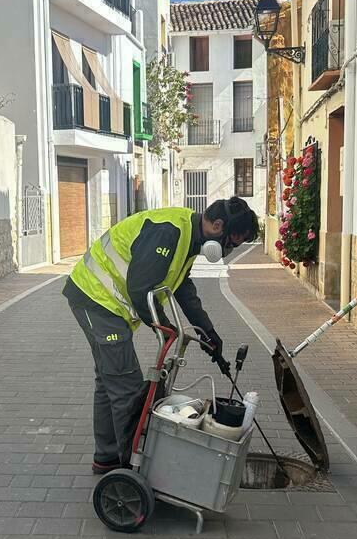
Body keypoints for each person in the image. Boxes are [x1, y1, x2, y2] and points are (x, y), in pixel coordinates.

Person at [64, 198, 260, 474]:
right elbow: (140, 288)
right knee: (128, 387)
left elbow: (183, 289)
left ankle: (106, 458)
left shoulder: (190, 237)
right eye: (232, 243)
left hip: (107, 306)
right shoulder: (168, 231)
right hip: (94, 298)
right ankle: (130, 470)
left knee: (109, 379)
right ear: (217, 226)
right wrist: (166, 328)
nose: (228, 250)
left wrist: (208, 332)